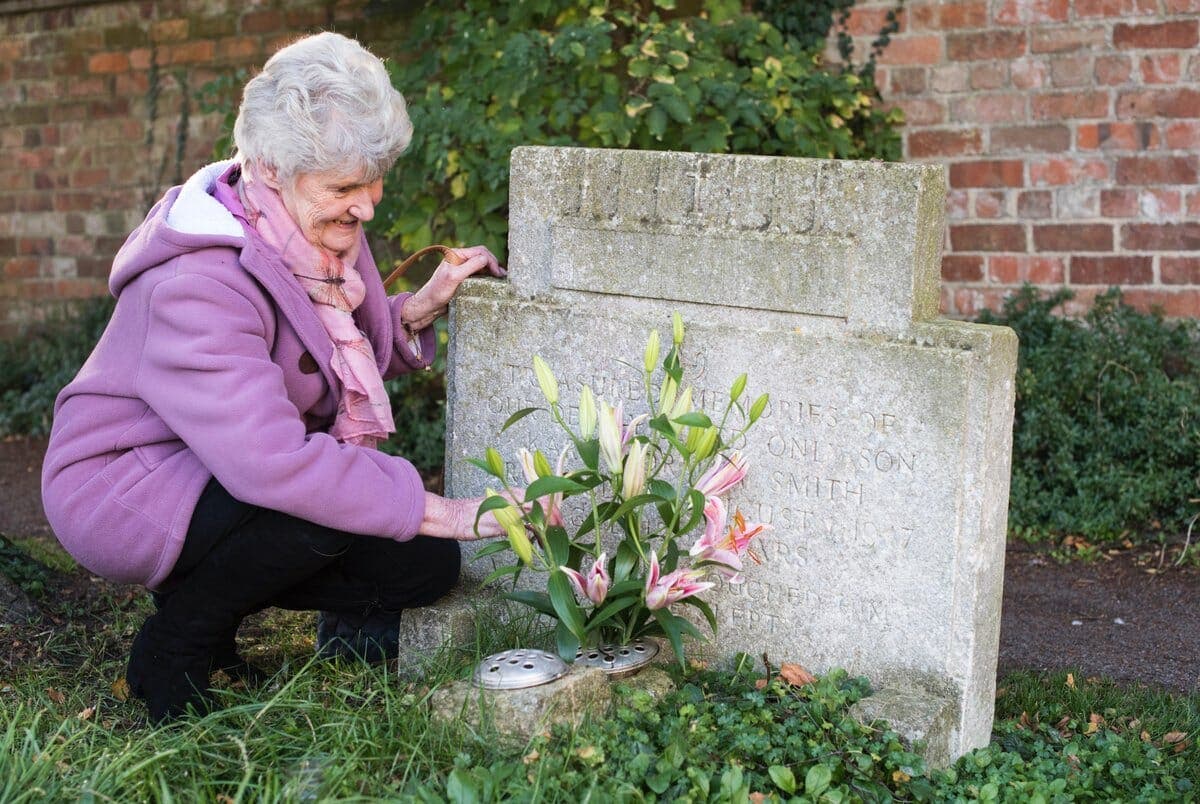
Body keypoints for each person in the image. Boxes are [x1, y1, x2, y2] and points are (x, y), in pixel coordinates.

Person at [41, 32, 511, 722]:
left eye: (375, 178)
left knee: (423, 565)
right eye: (347, 186)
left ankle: (209, 595)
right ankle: (176, 644)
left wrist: (417, 309)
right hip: (126, 480)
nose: (369, 205)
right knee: (317, 508)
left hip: (224, 462)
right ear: (269, 169)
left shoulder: (315, 235)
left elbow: (328, 362)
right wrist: (451, 511)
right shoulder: (196, 280)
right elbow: (276, 464)